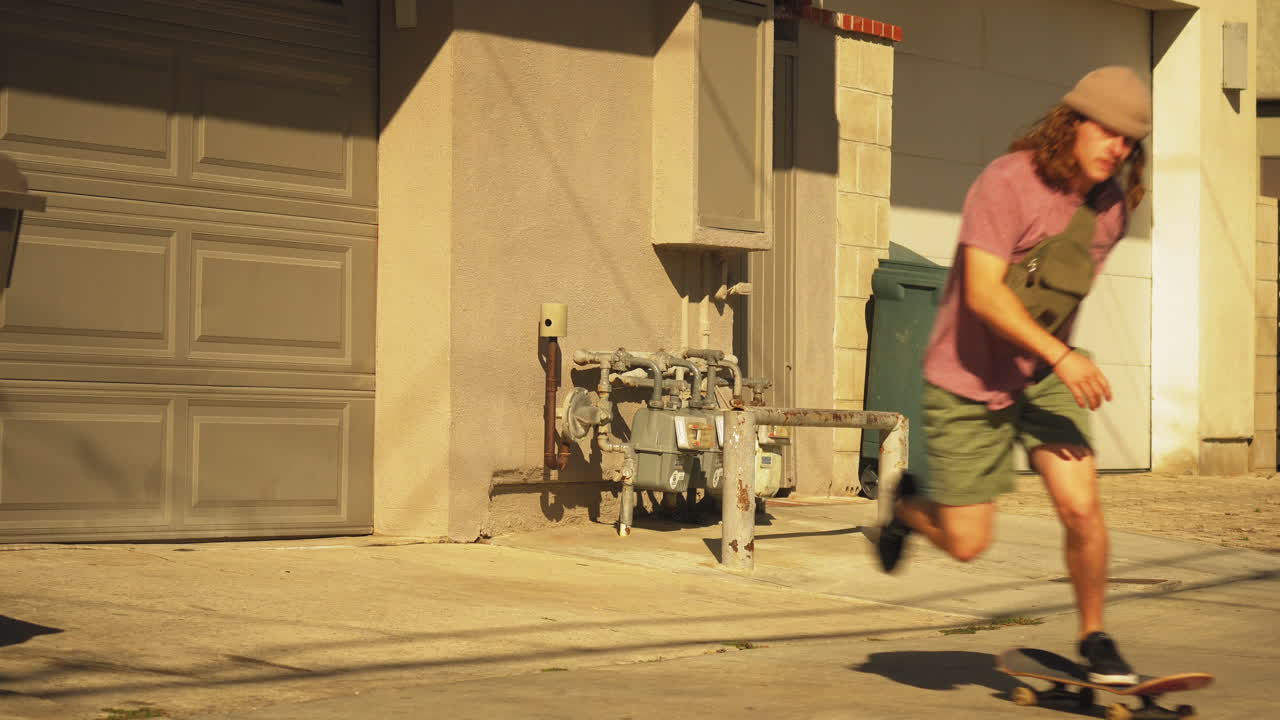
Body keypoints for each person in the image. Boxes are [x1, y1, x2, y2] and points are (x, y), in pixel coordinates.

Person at [876, 66, 1151, 685]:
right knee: (969, 542)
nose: (1118, 148)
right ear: (1073, 122)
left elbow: (1060, 293)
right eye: (1108, 132)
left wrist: (1057, 363)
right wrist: (1063, 357)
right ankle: (909, 509)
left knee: (1082, 506)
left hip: (1042, 370)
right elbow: (982, 293)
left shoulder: (1109, 211)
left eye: (1130, 141)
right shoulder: (1007, 184)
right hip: (967, 377)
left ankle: (1095, 637)